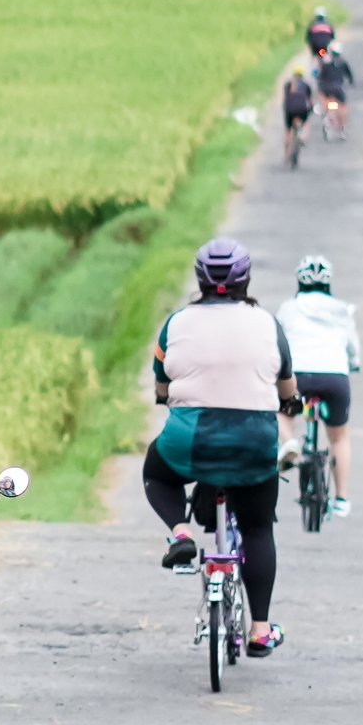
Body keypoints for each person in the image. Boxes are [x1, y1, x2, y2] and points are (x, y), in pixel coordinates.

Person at [147, 238, 297, 657]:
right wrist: (290, 403)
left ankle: (180, 534)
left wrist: (166, 396)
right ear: (245, 278)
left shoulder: (176, 323)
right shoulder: (267, 324)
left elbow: (162, 380)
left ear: (200, 278)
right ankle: (260, 630)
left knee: (157, 472)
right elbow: (287, 384)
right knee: (257, 527)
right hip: (254, 442)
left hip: (189, 440)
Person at [275, 255, 361, 518]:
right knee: (339, 437)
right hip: (334, 376)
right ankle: (342, 498)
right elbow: (353, 349)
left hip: (298, 375)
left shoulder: (288, 308)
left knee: (281, 412)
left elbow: (278, 342)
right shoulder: (341, 309)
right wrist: (353, 363)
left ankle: (290, 442)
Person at [315, 46, 353, 138]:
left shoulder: (325, 63)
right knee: (343, 107)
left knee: (324, 100)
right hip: (338, 89)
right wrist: (351, 82)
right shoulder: (343, 62)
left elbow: (319, 76)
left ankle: (325, 116)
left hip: (326, 88)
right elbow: (350, 76)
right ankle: (343, 129)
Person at [282, 65, 314, 161]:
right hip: (302, 110)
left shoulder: (288, 84)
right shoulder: (306, 85)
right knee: (306, 123)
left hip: (290, 110)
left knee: (288, 131)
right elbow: (310, 101)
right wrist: (311, 110)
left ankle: (286, 155)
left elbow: (285, 99)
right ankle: (302, 137)